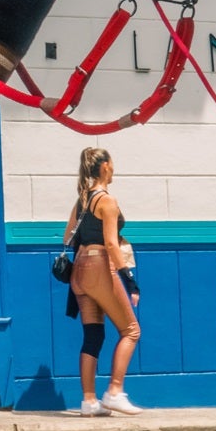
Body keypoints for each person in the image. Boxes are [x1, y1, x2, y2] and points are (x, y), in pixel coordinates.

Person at [63, 146, 142, 416]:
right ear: (105, 166)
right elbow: (110, 243)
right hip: (99, 268)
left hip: (79, 272)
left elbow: (67, 238)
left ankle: (89, 401)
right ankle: (115, 392)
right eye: (113, 163)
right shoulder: (107, 201)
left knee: (93, 335)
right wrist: (130, 281)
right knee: (131, 331)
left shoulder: (82, 199)